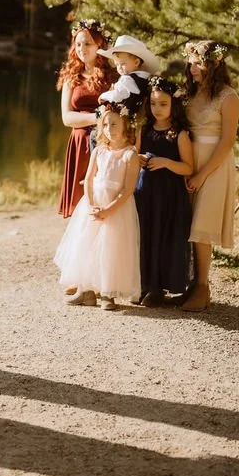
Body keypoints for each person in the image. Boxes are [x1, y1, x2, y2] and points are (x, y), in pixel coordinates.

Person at [54, 106, 142, 311]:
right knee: (86, 244)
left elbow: (128, 189)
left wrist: (109, 209)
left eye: (114, 124)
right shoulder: (100, 150)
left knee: (111, 249)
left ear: (125, 125)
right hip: (93, 206)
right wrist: (92, 204)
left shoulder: (130, 154)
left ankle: (107, 293)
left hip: (116, 208)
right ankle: (86, 291)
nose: (109, 128)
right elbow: (89, 179)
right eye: (105, 124)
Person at [182, 40, 239, 312]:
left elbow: (227, 141)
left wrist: (203, 174)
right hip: (189, 161)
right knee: (187, 222)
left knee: (201, 225)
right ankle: (189, 283)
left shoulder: (228, 97)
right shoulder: (190, 94)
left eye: (197, 63)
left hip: (214, 166)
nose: (192, 68)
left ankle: (203, 286)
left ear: (213, 65)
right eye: (191, 62)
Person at [135, 76, 194, 306]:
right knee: (146, 236)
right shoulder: (145, 129)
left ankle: (159, 288)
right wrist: (138, 159)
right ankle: (144, 285)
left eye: (163, 104)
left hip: (168, 197)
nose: (157, 109)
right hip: (145, 194)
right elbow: (135, 153)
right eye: (153, 103)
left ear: (173, 105)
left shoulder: (179, 134)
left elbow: (188, 167)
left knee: (164, 238)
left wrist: (166, 162)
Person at [56, 19, 119, 222]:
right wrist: (97, 117)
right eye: (79, 43)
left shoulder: (113, 76)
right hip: (80, 143)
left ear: (100, 45)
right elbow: (67, 117)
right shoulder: (71, 76)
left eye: (88, 43)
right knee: (79, 203)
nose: (82, 48)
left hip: (106, 142)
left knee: (101, 197)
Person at [97, 34, 160, 115]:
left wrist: (104, 96)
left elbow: (117, 95)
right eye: (117, 65)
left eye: (122, 64)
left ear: (136, 62)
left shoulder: (127, 79)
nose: (119, 68)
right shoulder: (145, 77)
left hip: (129, 117)